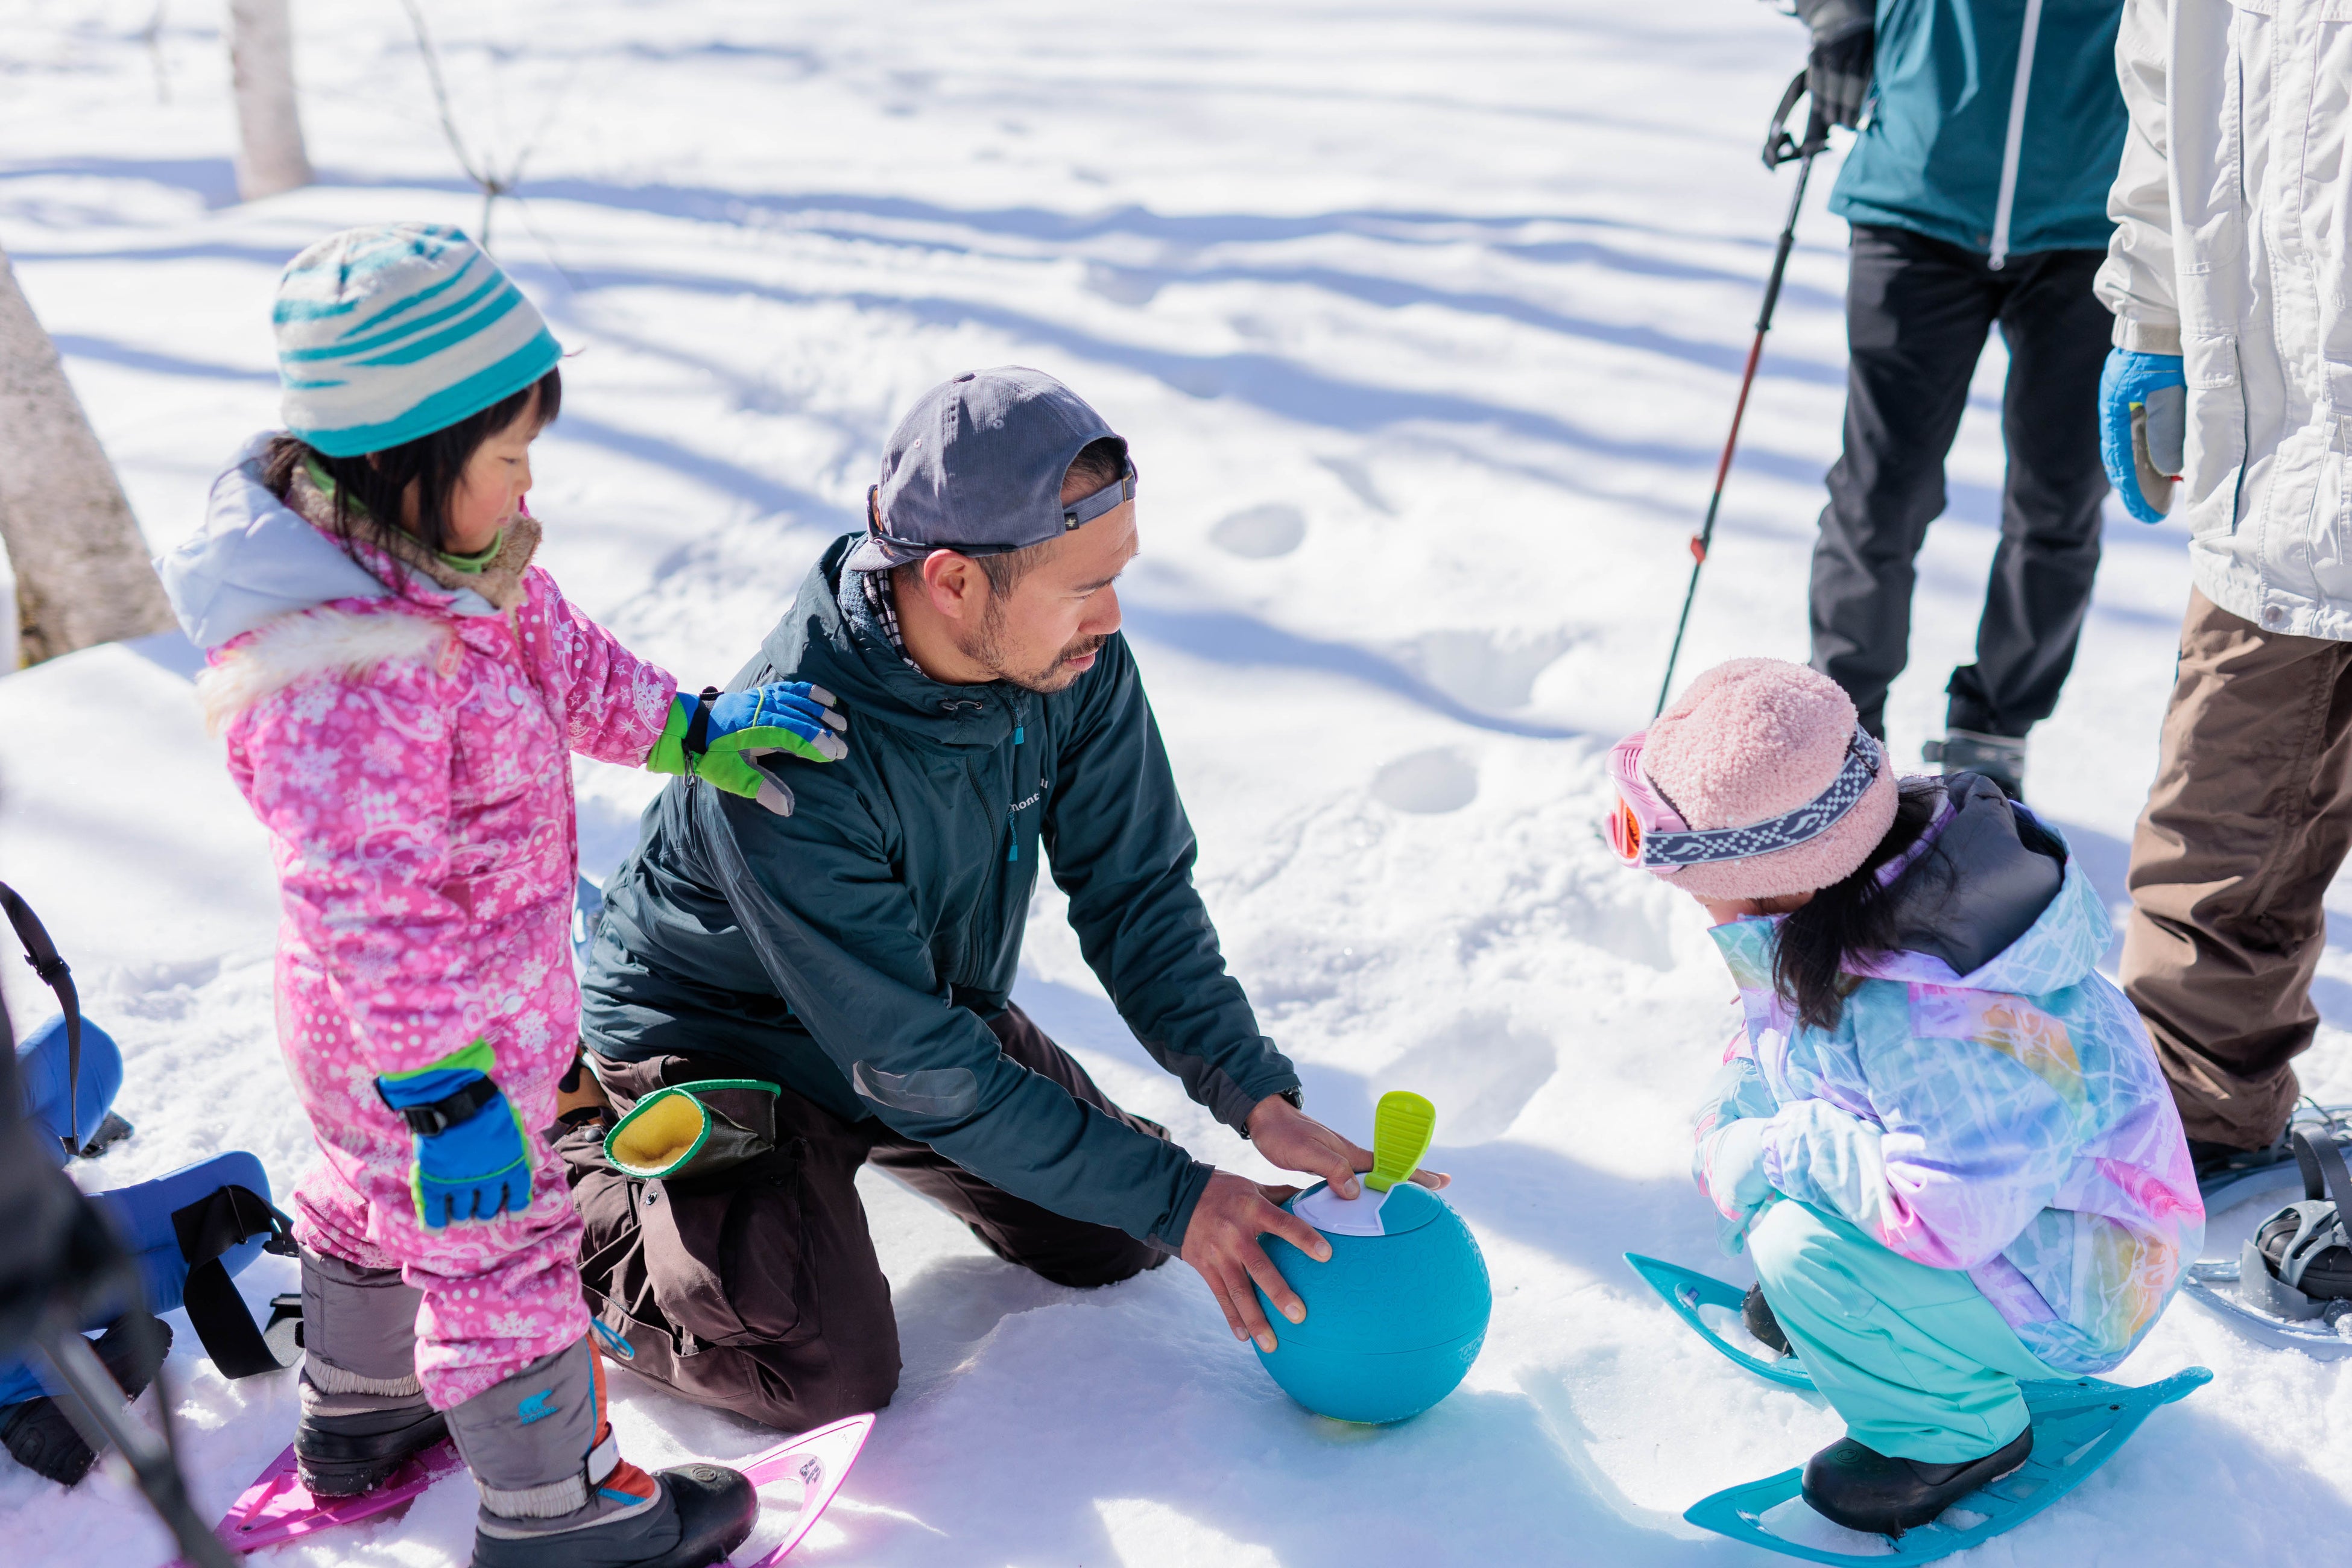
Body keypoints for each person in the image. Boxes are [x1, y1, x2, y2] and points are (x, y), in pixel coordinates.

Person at [563, 365, 1444, 1429]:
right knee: (821, 1373)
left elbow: (1138, 893)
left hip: (912, 1010)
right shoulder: (792, 759)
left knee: (1115, 1234)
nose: (1112, 617)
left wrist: (1257, 1095)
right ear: (952, 583)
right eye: (1082, 587)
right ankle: (554, 1196)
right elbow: (928, 1075)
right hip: (720, 1036)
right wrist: (1181, 1191)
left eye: (1116, 576)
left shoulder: (1067, 663)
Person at [158, 223, 852, 1568]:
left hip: (454, 1029)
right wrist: (450, 1094)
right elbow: (374, 907)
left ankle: (363, 1415)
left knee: (372, 1204)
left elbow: (565, 656)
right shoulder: (339, 672)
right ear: (404, 465)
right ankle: (560, 1512)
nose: (529, 484)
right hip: (421, 1045)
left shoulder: (452, 566)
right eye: (507, 459)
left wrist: (687, 726)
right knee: (502, 1243)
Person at [1608, 657, 2198, 1535]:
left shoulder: (1931, 1011)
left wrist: (1774, 1153)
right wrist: (1742, 1111)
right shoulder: (1870, 884)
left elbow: (1952, 1210)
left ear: (1774, 879)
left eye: (1695, 884)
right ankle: (1882, 1319)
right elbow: (1805, 1052)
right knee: (1801, 1233)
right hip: (2031, 1221)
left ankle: (1952, 1431)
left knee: (1797, 1243)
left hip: (2086, 1280)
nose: (1692, 905)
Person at [2096, 0, 2352, 1174]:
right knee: (2215, 828)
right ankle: (2188, 1139)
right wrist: (2149, 314)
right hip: (2281, 462)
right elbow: (2168, 99)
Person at [1783, 0, 2130, 798]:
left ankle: (1995, 734)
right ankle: (1845, 734)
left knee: (2060, 497)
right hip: (1917, 196)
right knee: (1882, 490)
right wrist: (1839, 18)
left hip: (2096, 217)